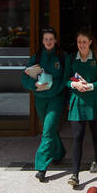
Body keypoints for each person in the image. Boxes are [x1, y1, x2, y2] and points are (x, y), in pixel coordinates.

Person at [65, 29, 97, 189]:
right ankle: (74, 174)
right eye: (79, 42)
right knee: (77, 136)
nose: (81, 45)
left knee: (95, 132)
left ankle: (96, 160)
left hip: (94, 101)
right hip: (77, 101)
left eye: (84, 42)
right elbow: (65, 80)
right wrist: (74, 84)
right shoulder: (71, 59)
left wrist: (90, 86)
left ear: (90, 42)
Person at [21, 26, 67, 183]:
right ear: (42, 41)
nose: (48, 41)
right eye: (46, 39)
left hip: (56, 98)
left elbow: (67, 78)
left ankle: (41, 168)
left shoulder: (62, 57)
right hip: (40, 98)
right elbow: (25, 77)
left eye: (51, 39)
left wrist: (56, 90)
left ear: (55, 40)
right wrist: (34, 86)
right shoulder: (37, 57)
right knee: (51, 130)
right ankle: (59, 153)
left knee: (47, 130)